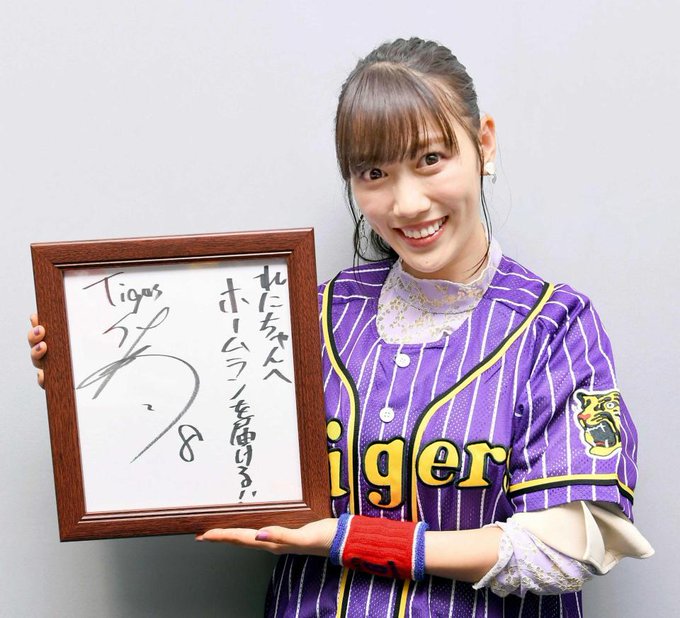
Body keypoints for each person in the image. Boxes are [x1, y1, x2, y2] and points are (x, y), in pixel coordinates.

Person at [29, 38, 652, 617]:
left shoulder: (556, 326)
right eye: (373, 173)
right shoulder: (304, 315)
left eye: (431, 159)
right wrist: (91, 376)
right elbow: (199, 432)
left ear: (483, 144)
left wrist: (354, 539)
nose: (406, 203)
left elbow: (565, 550)